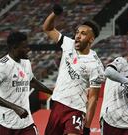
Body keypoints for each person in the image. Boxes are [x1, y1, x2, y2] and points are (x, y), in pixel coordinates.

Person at [43, 4, 105, 135]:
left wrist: (87, 126)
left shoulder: (95, 65)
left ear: (91, 39)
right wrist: (54, 14)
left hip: (76, 109)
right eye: (77, 32)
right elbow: (47, 28)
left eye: (83, 34)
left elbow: (93, 98)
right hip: (58, 104)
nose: (78, 36)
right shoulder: (68, 44)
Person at [0, 32, 52, 135]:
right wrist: (15, 107)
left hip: (26, 122)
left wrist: (52, 93)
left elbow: (32, 82)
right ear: (14, 47)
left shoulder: (26, 62)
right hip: (5, 123)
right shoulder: (2, 66)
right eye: (25, 47)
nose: (28, 49)